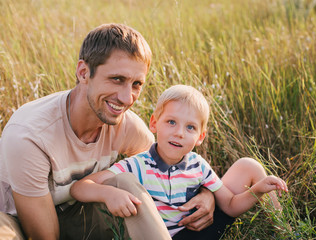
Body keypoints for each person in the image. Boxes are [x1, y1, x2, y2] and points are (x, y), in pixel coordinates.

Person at [0, 24, 215, 240]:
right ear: (84, 73)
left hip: (77, 212)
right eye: (117, 79)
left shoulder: (125, 125)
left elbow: (167, 162)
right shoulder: (30, 135)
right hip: (13, 219)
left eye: (136, 84)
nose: (127, 98)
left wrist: (207, 194)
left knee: (127, 184)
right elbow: (44, 236)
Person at [70, 84, 288, 239]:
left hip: (197, 230)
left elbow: (230, 206)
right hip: (159, 235)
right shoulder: (138, 165)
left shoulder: (198, 165)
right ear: (154, 123)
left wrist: (257, 190)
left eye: (190, 127)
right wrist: (110, 193)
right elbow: (79, 188)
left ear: (200, 137)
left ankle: (286, 231)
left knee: (249, 165)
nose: (179, 133)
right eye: (171, 122)